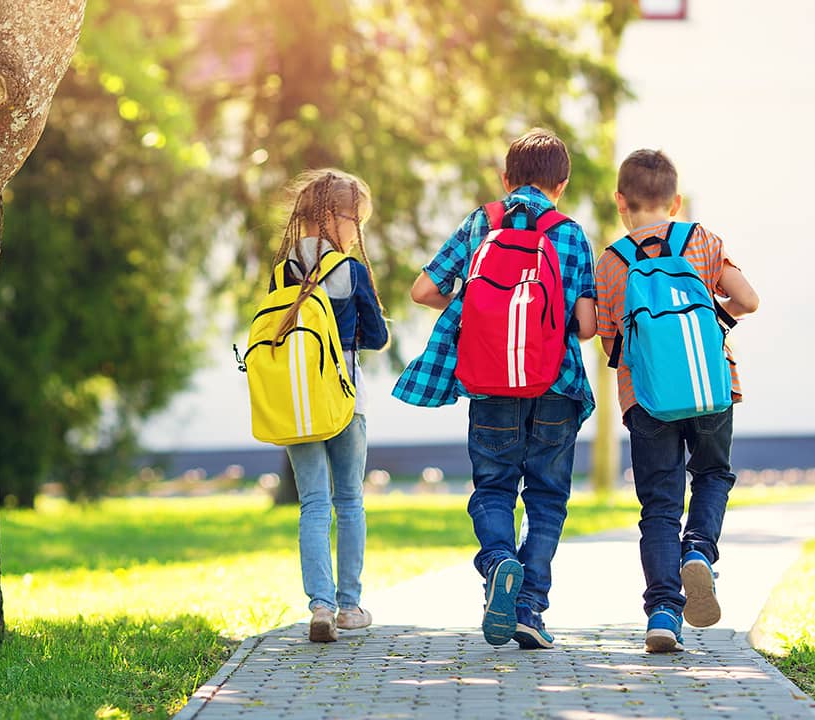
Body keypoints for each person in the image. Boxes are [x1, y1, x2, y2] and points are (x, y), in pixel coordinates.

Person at [396, 128, 597, 650]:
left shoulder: (479, 223)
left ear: (505, 179)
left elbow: (423, 291)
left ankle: (498, 562)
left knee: (493, 488)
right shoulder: (571, 233)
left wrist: (480, 314)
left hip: (490, 383)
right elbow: (589, 324)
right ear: (563, 183)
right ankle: (530, 606)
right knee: (547, 497)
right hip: (556, 383)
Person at [595, 149, 759, 652]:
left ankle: (664, 613)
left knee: (659, 506)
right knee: (712, 475)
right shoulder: (702, 241)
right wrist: (716, 320)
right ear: (676, 200)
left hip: (646, 398)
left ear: (621, 201)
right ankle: (700, 553)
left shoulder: (612, 262)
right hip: (712, 388)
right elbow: (748, 299)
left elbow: (608, 342)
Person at [272, 169, 389, 642]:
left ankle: (318, 606)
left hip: (296, 402)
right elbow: (377, 337)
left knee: (313, 505)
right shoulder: (350, 270)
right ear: (341, 219)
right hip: (343, 400)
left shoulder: (283, 270)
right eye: (357, 220)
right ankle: (350, 606)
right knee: (350, 501)